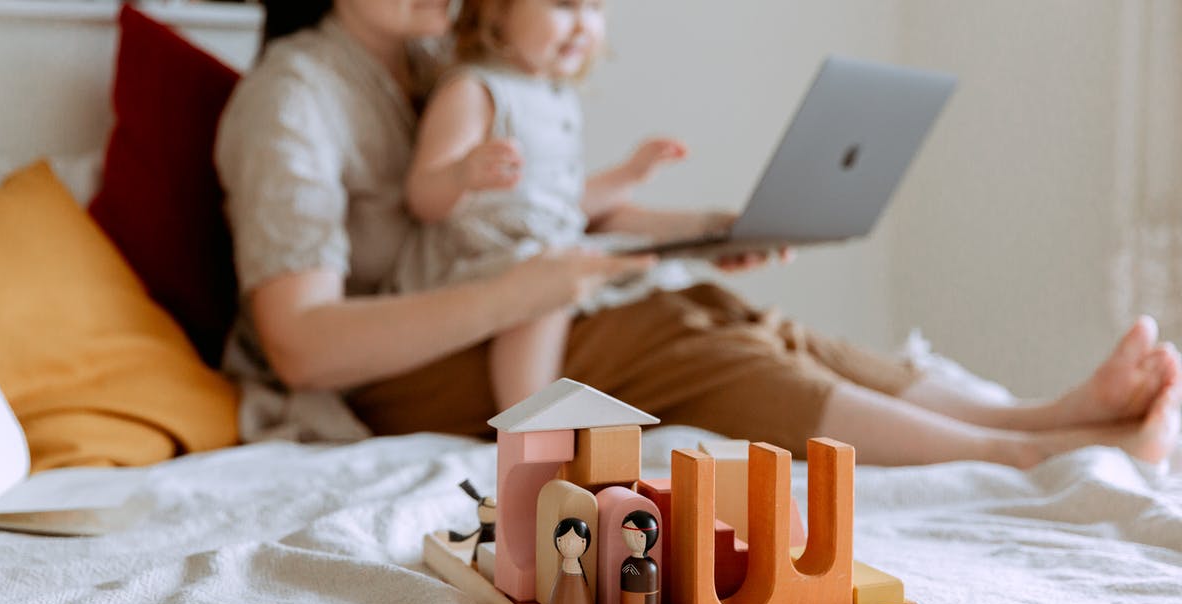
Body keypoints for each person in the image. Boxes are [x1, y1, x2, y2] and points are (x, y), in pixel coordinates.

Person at [214, 0, 1181, 469]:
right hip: (391, 371)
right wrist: (529, 289)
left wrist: (701, 228)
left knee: (715, 301)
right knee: (671, 331)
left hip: (497, 304)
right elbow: (303, 346)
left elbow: (536, 211)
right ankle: (1034, 458)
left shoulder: (443, 59)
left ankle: (1039, 417)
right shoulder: (292, 100)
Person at [395, 0, 688, 411]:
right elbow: (421, 198)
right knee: (545, 283)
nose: (583, 26)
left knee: (644, 265)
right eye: (564, 6)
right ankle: (529, 416)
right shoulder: (475, 90)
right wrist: (461, 174)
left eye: (595, 9)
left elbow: (560, 206)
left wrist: (629, 174)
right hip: (470, 260)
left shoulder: (556, 96)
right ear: (498, 13)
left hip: (537, 248)